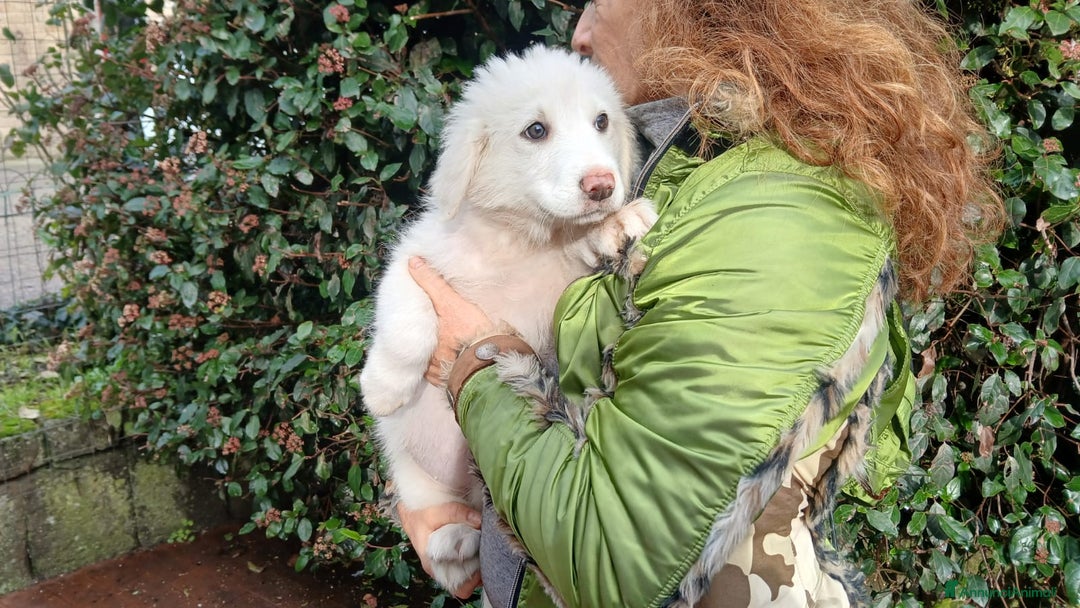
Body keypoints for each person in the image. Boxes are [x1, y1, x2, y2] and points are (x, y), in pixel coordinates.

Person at [394, 0, 1004, 606]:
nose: (578, 33)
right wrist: (431, 494)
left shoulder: (780, 215)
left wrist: (476, 367)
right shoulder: (684, 164)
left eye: (599, 2)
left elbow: (617, 557)